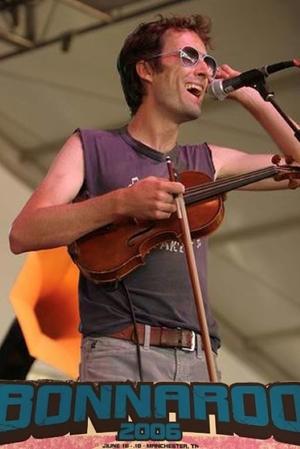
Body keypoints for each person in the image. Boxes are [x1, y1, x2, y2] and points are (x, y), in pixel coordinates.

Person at [9, 15, 300, 382]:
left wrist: (254, 100)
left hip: (198, 360)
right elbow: (24, 232)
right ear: (146, 69)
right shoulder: (92, 146)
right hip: (118, 356)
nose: (205, 72)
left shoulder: (207, 160)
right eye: (189, 56)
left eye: (208, 63)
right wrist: (121, 203)